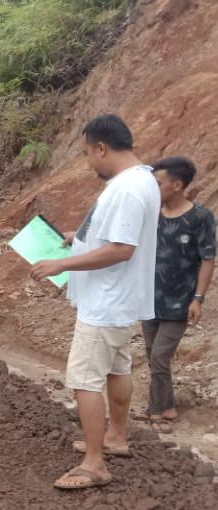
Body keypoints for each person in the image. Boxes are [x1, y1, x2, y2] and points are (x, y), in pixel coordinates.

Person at [31, 114, 159, 490]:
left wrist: (61, 263)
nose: (89, 162)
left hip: (106, 302)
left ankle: (94, 463)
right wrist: (79, 238)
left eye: (88, 153)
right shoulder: (141, 180)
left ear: (102, 147)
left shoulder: (127, 189)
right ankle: (115, 437)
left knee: (85, 379)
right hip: (119, 301)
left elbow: (121, 248)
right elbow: (114, 237)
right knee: (117, 369)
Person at [137, 157, 215, 433]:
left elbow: (207, 259)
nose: (153, 188)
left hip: (181, 302)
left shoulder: (200, 218)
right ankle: (167, 405)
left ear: (177, 185)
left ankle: (156, 410)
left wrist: (199, 298)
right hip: (150, 299)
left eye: (158, 183)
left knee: (159, 355)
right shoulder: (152, 214)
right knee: (152, 354)